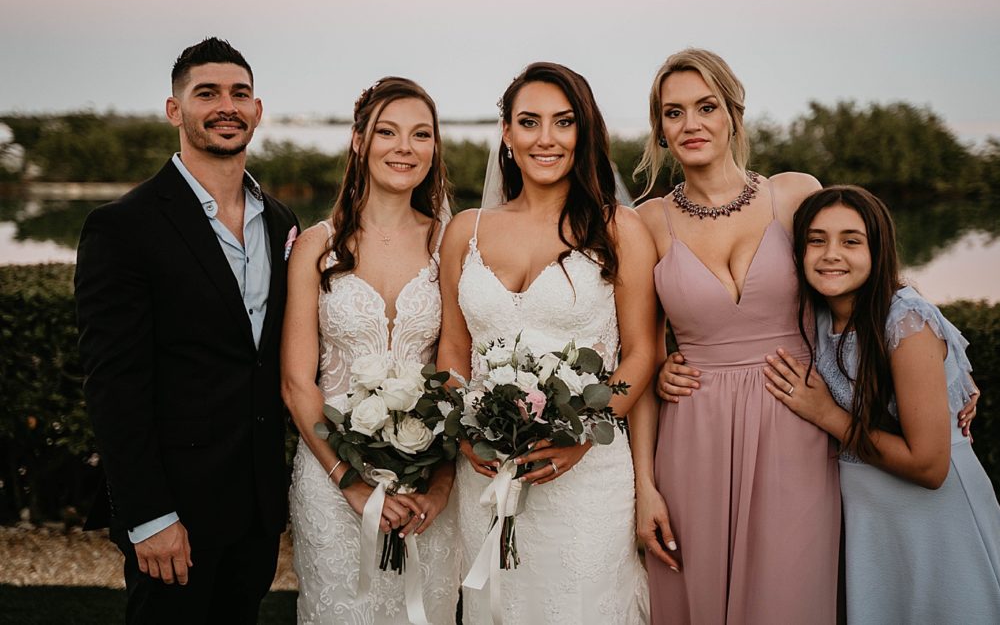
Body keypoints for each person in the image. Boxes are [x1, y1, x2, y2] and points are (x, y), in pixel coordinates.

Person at [74, 37, 299, 623]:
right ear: (176, 110)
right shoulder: (123, 227)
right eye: (208, 93)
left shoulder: (281, 222)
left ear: (257, 109)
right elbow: (113, 385)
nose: (227, 105)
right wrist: (148, 515)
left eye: (239, 93)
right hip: (174, 514)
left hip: (255, 510)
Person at [437, 62, 657, 624]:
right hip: (486, 475)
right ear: (506, 134)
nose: (546, 138)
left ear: (582, 133)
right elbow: (454, 355)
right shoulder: (467, 230)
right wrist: (466, 432)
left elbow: (640, 353)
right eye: (529, 122)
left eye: (563, 122)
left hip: (586, 477)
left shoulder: (619, 229)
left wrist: (581, 435)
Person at [629, 48, 841, 624]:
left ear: (733, 115)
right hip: (692, 431)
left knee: (791, 594)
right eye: (674, 113)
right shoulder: (646, 223)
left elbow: (868, 289)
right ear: (661, 131)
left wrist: (947, 370)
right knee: (695, 592)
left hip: (796, 423)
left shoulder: (795, 195)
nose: (691, 124)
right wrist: (645, 486)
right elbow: (640, 360)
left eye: (706, 107)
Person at [762, 185, 1000, 624]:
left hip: (935, 523)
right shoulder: (817, 316)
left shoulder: (903, 320)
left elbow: (929, 467)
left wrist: (827, 413)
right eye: (816, 239)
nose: (831, 254)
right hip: (871, 520)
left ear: (878, 249)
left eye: (851, 240)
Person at [281, 77, 459, 624]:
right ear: (359, 141)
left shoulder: (449, 241)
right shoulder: (316, 245)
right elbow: (296, 382)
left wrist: (440, 485)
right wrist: (352, 484)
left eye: (420, 134)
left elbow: (455, 369)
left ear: (434, 148)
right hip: (333, 485)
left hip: (427, 488)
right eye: (387, 132)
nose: (404, 147)